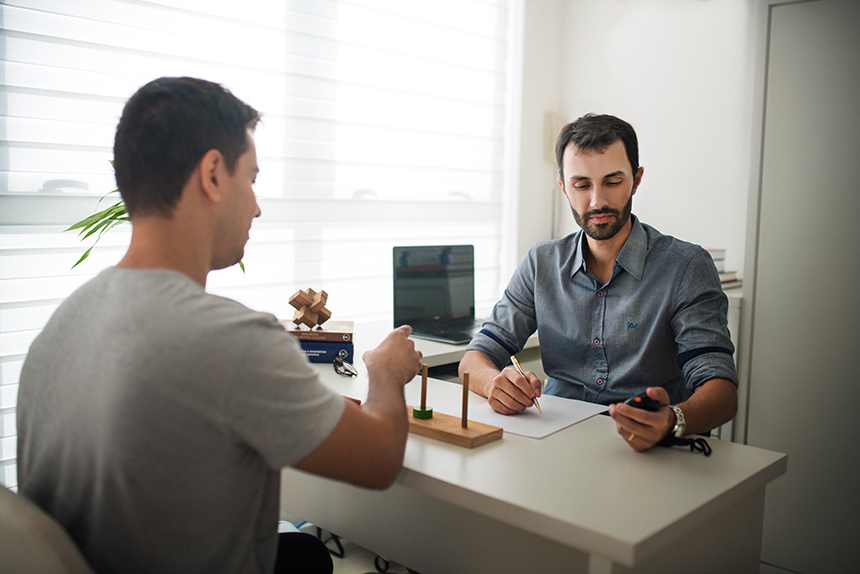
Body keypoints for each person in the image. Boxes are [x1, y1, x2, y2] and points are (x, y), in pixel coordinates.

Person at [16, 77, 423, 574]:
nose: (256, 205)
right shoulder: (228, 338)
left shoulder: (60, 327)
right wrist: (385, 369)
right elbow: (380, 460)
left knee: (303, 554)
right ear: (212, 174)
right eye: (251, 179)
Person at [459, 113, 738, 452]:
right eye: (582, 185)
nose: (597, 201)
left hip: (650, 451)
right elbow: (474, 360)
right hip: (556, 442)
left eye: (612, 181)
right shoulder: (541, 263)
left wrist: (672, 420)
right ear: (564, 187)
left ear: (636, 180)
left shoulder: (686, 267)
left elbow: (722, 392)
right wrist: (495, 385)